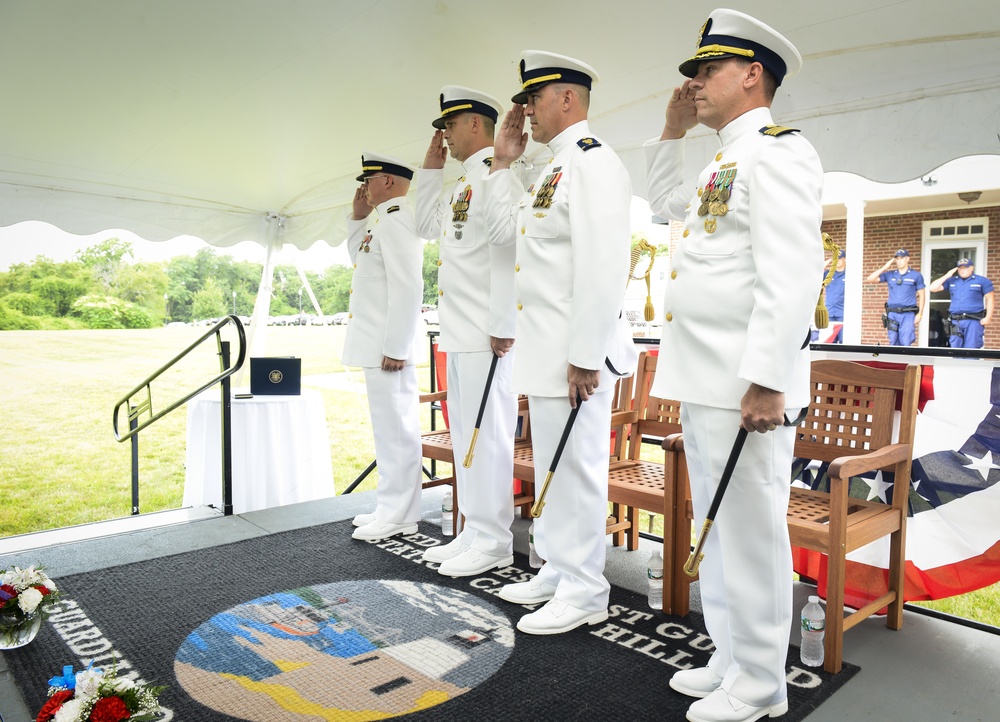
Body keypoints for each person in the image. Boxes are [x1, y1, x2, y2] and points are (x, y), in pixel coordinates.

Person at [644, 9, 822, 722]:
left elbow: (790, 273)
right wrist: (669, 136)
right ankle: (731, 655)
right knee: (715, 528)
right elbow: (664, 208)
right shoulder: (725, 157)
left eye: (707, 70)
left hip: (746, 385)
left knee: (747, 532)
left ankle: (759, 685)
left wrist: (770, 380)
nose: (694, 83)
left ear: (752, 75)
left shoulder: (777, 151)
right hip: (708, 378)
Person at [483, 50, 637, 635]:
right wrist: (503, 162)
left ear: (566, 99)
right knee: (554, 467)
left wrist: (583, 356)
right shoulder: (550, 167)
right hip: (546, 350)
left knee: (576, 473)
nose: (525, 111)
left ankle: (585, 589)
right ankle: (557, 568)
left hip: (575, 356)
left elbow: (603, 264)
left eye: (533, 99)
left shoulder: (594, 164)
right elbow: (502, 234)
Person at [414, 86, 522, 576]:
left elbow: (508, 255)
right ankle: (475, 530)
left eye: (449, 125)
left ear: (475, 124)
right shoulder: (461, 184)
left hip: (485, 334)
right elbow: (421, 227)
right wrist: (431, 172)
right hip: (459, 331)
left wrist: (503, 325)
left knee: (488, 436)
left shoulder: (499, 179)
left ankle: (495, 539)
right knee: (465, 438)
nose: (444, 133)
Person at [342, 152, 425, 542]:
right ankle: (392, 507)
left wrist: (397, 346)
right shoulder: (382, 221)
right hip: (379, 346)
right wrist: (357, 219)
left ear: (388, 182)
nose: (364, 187)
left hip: (389, 349)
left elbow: (408, 287)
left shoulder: (398, 221)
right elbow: (363, 266)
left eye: (369, 180)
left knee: (398, 432)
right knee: (387, 432)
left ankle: (400, 515)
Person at [928, 258, 994, 348]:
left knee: (972, 349)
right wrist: (947, 275)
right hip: (955, 321)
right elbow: (932, 288)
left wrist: (988, 317)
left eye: (965, 268)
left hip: (973, 320)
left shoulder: (982, 281)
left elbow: (990, 299)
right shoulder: (952, 280)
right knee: (955, 349)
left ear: (972, 268)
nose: (962, 270)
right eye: (960, 268)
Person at [866, 249, 925, 346]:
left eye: (902, 258)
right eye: (897, 259)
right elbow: (870, 279)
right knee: (893, 341)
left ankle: (906, 361)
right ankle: (896, 361)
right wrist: (885, 267)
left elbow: (922, 295)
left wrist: (920, 314)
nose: (899, 261)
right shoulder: (890, 274)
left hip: (907, 314)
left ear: (907, 259)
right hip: (892, 313)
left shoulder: (916, 275)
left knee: (905, 341)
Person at [822, 250, 845, 343]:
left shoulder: (849, 274)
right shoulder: (828, 273)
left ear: (845, 259)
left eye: (840, 258)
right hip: (829, 312)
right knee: (829, 341)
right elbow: (817, 270)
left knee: (843, 340)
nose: (838, 261)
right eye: (836, 259)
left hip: (842, 312)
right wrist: (831, 259)